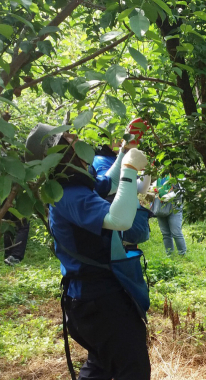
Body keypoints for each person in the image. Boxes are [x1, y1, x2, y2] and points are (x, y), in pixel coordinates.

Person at [25, 123, 151, 379]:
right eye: (69, 138)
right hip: (100, 303)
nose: (76, 138)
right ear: (60, 151)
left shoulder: (72, 182)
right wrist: (129, 169)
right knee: (133, 369)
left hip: (89, 302)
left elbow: (106, 182)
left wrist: (126, 148)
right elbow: (120, 220)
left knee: (101, 366)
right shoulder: (69, 194)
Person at [153, 175, 187, 256]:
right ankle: (169, 255)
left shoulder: (177, 172)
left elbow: (182, 190)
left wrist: (168, 196)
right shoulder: (159, 172)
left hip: (174, 205)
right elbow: (157, 185)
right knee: (165, 233)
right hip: (160, 205)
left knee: (176, 232)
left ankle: (182, 254)